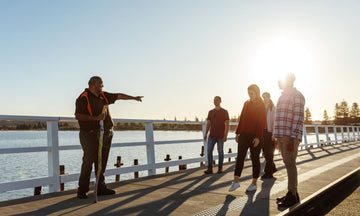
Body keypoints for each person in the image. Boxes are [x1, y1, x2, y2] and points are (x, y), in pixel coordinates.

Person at [75, 76, 143, 199]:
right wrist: (96, 118)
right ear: (93, 84)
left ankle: (100, 187)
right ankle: (82, 190)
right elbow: (78, 115)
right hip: (90, 134)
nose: (102, 86)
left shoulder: (103, 96)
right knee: (88, 161)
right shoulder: (83, 98)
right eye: (101, 84)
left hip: (106, 133)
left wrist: (134, 98)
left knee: (102, 161)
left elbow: (119, 96)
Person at [274, 73, 305, 207]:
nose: (278, 82)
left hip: (289, 136)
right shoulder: (282, 97)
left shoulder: (297, 95)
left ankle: (292, 195)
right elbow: (278, 118)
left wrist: (293, 138)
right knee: (287, 164)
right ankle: (292, 193)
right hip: (281, 135)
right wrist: (276, 138)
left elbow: (298, 118)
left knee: (290, 164)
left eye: (281, 80)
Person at [228, 84, 266, 192]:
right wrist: (237, 132)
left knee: (255, 159)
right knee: (240, 157)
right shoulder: (246, 103)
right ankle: (235, 182)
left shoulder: (261, 105)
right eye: (248, 92)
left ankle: (254, 183)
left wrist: (258, 137)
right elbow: (242, 118)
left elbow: (261, 122)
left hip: (255, 136)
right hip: (244, 134)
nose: (250, 94)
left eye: (252, 92)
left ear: (257, 93)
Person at [203, 96, 230, 174]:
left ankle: (220, 168)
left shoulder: (225, 111)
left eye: (217, 100)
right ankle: (210, 168)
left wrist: (226, 135)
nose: (215, 101)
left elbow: (227, 124)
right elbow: (208, 124)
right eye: (214, 100)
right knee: (209, 150)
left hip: (221, 136)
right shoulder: (211, 112)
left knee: (220, 151)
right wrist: (205, 134)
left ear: (220, 101)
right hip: (212, 135)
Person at [260, 92, 277, 179]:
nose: (264, 99)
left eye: (266, 97)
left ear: (269, 97)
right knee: (266, 153)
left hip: (270, 132)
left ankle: (268, 173)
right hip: (263, 132)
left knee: (269, 153)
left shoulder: (273, 108)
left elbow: (275, 122)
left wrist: (274, 134)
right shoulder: (262, 108)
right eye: (263, 97)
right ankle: (272, 167)